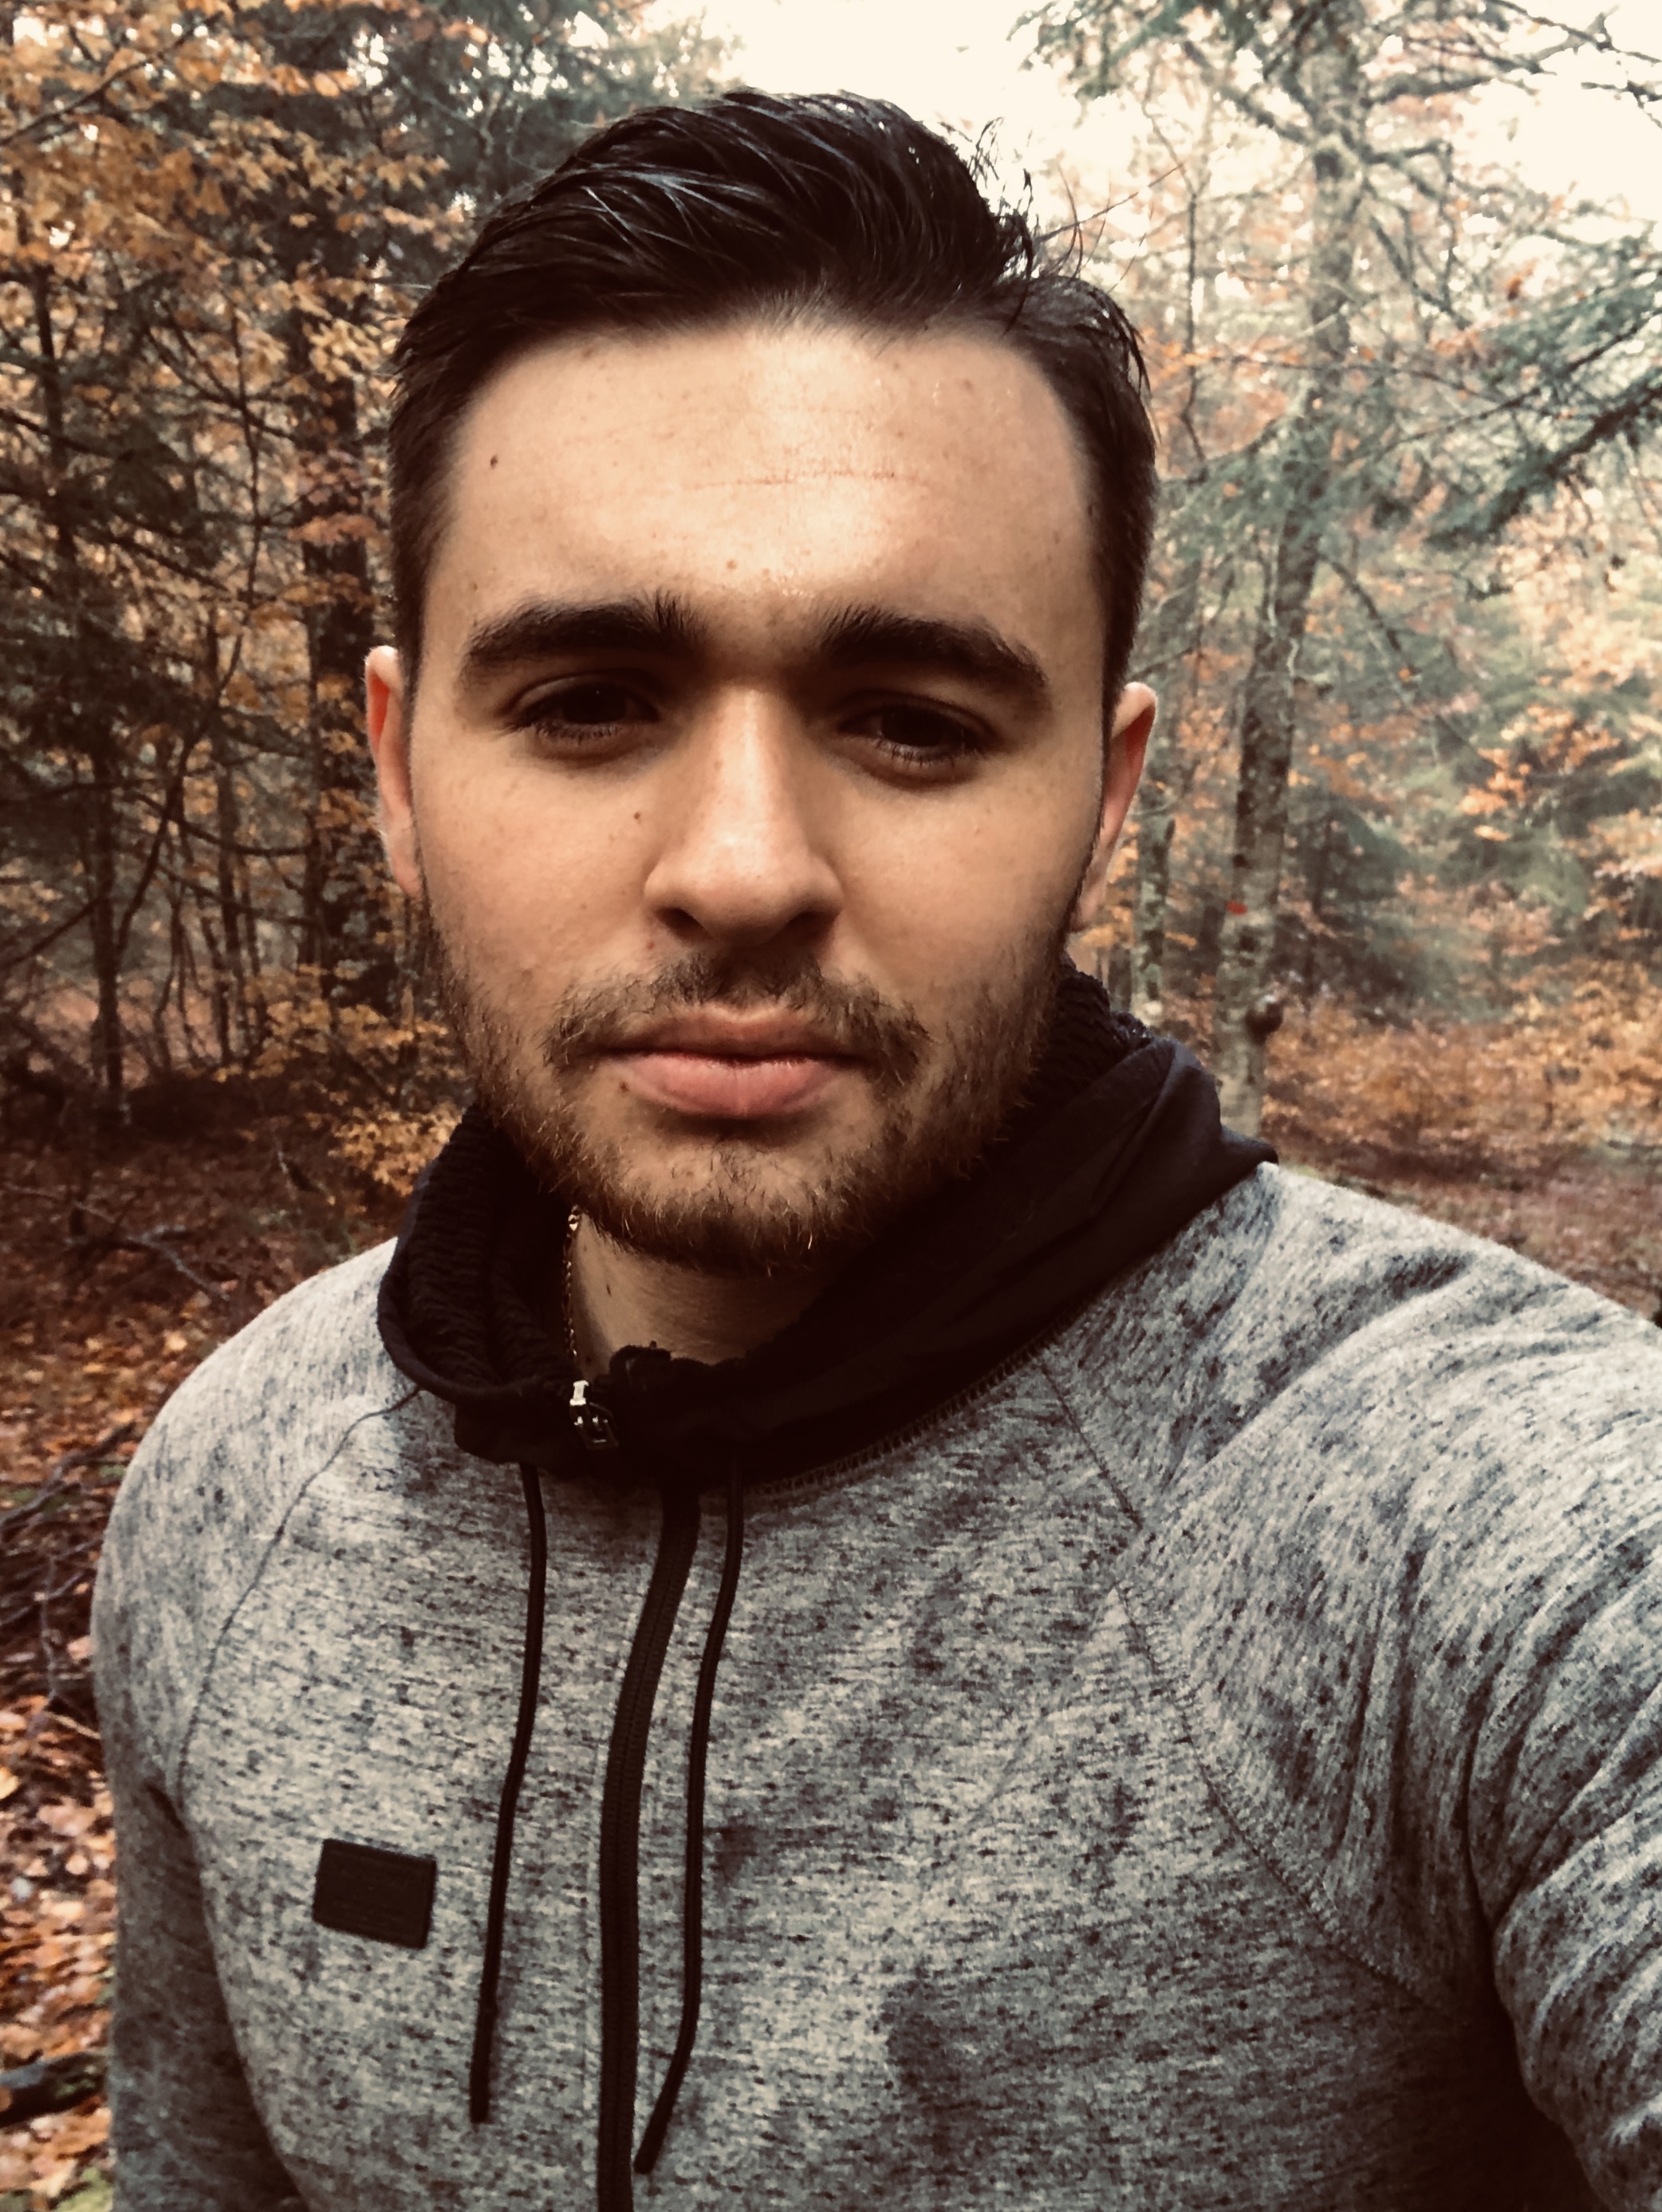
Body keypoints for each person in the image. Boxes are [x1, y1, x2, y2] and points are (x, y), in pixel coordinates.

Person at [92, 89, 1662, 2212]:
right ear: (394, 770)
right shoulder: (231, 1492)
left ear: (1103, 797)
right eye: (585, 700)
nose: (744, 871)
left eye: (914, 721)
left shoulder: (1494, 1530)